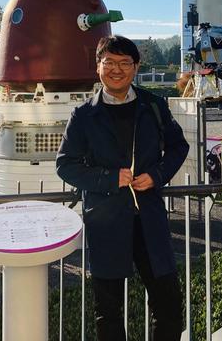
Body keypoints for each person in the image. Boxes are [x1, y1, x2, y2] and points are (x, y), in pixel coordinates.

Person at [56, 35, 189, 341]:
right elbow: (66, 165)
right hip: (106, 220)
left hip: (149, 219)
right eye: (109, 62)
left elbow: (178, 146)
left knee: (168, 307)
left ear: (136, 66)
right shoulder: (83, 115)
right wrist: (107, 178)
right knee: (108, 312)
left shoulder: (153, 106)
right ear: (98, 66)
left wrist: (157, 175)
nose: (117, 69)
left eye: (125, 63)